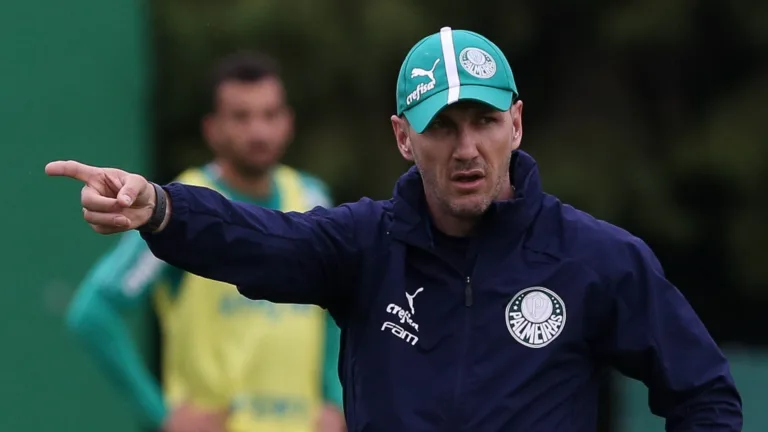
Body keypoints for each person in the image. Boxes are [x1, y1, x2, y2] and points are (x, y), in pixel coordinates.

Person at [48, 27, 743, 431]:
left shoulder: (596, 258)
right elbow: (263, 240)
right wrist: (162, 207)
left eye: (484, 122)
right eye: (442, 126)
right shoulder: (364, 245)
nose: (466, 148)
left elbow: (704, 393)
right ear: (404, 137)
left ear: (516, 124)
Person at [63, 51, 346, 432]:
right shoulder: (180, 209)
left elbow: (335, 299)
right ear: (212, 129)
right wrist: (160, 415)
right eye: (241, 117)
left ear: (288, 122)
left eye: (270, 114)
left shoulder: (310, 198)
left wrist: (335, 400)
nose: (259, 132)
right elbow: (93, 310)